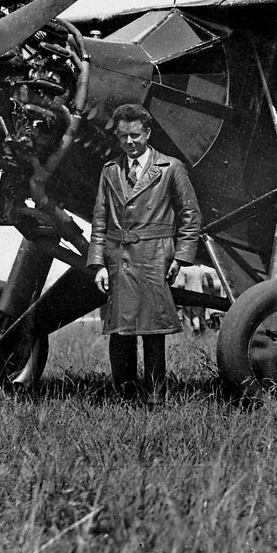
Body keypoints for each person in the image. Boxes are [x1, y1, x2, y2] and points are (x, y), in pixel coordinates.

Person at [86, 103, 202, 405]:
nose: (129, 142)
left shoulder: (171, 168)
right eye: (123, 136)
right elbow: (100, 219)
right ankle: (123, 397)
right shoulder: (110, 171)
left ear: (148, 133)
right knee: (120, 331)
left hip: (155, 258)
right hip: (119, 258)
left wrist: (180, 258)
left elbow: (190, 214)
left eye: (135, 135)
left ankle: (155, 399)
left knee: (153, 331)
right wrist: (98, 263)